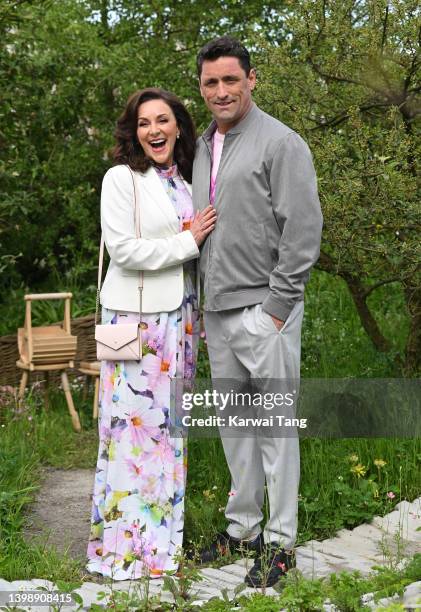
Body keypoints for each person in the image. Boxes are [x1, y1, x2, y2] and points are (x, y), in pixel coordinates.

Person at [192, 37, 323, 587]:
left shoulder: (280, 142)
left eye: (230, 80)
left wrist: (276, 307)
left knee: (273, 429)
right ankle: (241, 528)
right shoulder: (201, 146)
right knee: (236, 429)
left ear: (251, 80)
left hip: (263, 312)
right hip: (217, 313)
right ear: (201, 88)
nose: (221, 91)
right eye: (210, 83)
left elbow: (303, 229)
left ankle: (280, 543)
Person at [87, 88, 216, 580]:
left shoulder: (185, 181)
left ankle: (162, 547)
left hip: (180, 320)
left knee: (168, 438)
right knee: (131, 435)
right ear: (134, 131)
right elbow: (123, 250)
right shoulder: (122, 178)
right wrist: (190, 239)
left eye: (163, 120)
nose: (155, 130)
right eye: (144, 123)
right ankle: (126, 549)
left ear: (179, 127)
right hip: (136, 322)